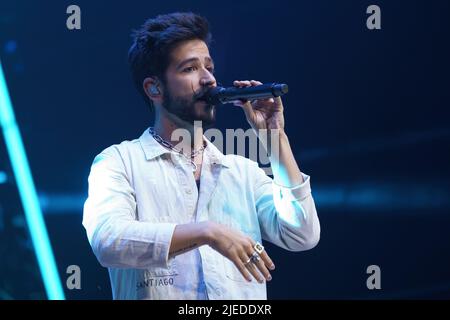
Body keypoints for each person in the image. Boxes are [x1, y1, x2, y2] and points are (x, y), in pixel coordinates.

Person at [82, 12, 320, 300]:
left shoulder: (241, 172)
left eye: (209, 67)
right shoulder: (118, 162)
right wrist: (207, 232)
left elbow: (301, 233)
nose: (208, 79)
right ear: (154, 87)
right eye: (190, 69)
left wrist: (274, 137)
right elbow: (108, 240)